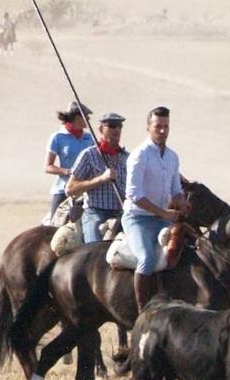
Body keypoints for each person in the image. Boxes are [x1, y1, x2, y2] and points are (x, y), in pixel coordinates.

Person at [122, 106, 186, 311]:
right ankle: (143, 312)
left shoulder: (172, 157)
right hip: (138, 218)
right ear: (148, 127)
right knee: (147, 259)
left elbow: (176, 189)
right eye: (158, 126)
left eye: (166, 126)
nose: (162, 130)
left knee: (188, 250)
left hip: (163, 219)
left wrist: (182, 202)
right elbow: (134, 194)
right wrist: (164, 213)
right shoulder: (139, 155)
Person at [66, 112, 129, 244]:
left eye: (119, 126)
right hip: (95, 212)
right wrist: (101, 179)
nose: (116, 130)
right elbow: (70, 189)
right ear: (101, 129)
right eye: (111, 126)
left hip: (122, 212)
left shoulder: (127, 157)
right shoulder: (89, 155)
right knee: (93, 250)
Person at [45, 102, 95, 223]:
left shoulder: (89, 138)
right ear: (78, 117)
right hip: (63, 189)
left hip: (84, 189)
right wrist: (68, 171)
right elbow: (48, 167)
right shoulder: (58, 137)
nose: (88, 120)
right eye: (86, 117)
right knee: (54, 226)